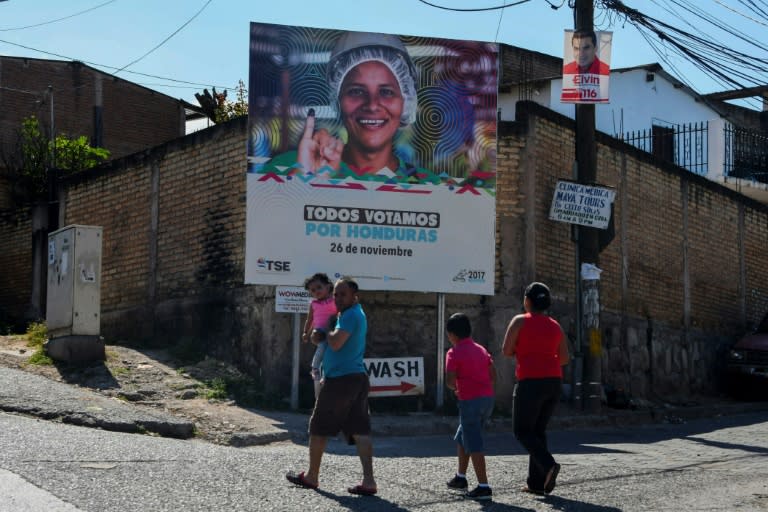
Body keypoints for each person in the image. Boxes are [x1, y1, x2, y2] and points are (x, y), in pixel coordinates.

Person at [261, 32, 442, 185]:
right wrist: (306, 182)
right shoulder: (285, 168)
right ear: (337, 100)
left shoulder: (430, 186)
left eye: (386, 92)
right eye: (356, 91)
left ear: (406, 101)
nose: (372, 105)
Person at [286, 277, 377, 495]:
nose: (337, 297)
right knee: (359, 430)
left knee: (318, 427)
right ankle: (369, 481)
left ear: (355, 296)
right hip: (355, 378)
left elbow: (335, 343)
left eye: (342, 294)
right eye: (335, 293)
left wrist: (326, 330)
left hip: (341, 380)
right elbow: (327, 340)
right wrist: (321, 334)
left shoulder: (350, 315)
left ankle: (311, 477)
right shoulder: (348, 314)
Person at [502, 282, 570, 496]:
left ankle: (549, 464)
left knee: (522, 431)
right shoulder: (555, 325)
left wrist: (526, 353)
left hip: (530, 382)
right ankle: (536, 483)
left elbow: (506, 350)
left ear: (527, 301)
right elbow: (565, 357)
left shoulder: (520, 321)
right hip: (553, 382)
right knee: (537, 431)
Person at [444, 312, 497, 501]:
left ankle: (484, 486)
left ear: (452, 335)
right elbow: (493, 374)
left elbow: (450, 381)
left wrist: (457, 388)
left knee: (473, 442)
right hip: (487, 400)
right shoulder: (481, 349)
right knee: (462, 436)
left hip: (469, 401)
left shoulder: (453, 352)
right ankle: (461, 477)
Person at [302, 272, 337, 399]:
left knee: (330, 355)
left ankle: (326, 376)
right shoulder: (314, 304)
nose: (316, 291)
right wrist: (306, 332)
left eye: (319, 287)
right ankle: (315, 368)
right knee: (322, 348)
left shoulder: (335, 301)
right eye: (312, 290)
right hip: (319, 334)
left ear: (328, 287)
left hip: (332, 331)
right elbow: (310, 320)